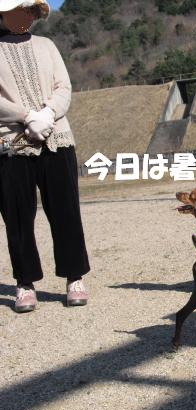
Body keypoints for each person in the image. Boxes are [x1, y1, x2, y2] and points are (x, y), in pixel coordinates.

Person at [0, 0, 90, 312]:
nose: (25, 16)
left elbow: (63, 86)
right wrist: (27, 116)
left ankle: (74, 277)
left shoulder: (47, 45)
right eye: (18, 10)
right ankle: (25, 282)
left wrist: (48, 113)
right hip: (11, 141)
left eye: (29, 11)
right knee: (17, 217)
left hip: (57, 137)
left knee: (66, 211)